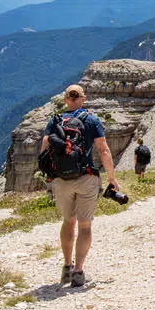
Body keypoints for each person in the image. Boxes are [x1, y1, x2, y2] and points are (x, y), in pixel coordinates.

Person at [39, 84, 118, 288]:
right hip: (86, 177)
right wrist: (111, 178)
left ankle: (67, 267)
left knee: (68, 221)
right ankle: (78, 272)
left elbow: (44, 149)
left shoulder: (55, 121)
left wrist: (50, 176)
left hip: (61, 180)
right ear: (83, 99)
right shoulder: (91, 120)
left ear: (66, 100)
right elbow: (103, 150)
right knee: (84, 225)